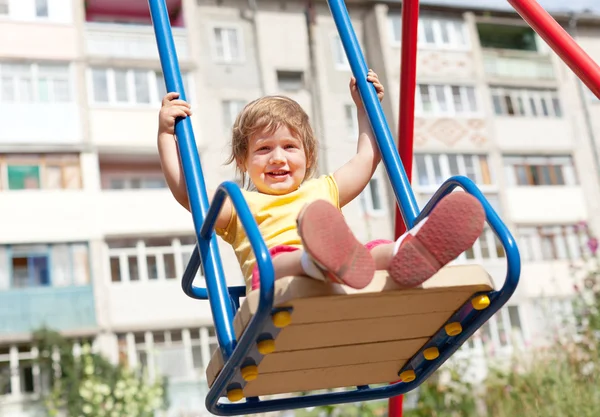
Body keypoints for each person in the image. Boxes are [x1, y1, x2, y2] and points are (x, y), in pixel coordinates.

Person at [157, 70, 485, 293]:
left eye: (289, 147)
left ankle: (408, 251)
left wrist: (365, 108)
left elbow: (366, 158)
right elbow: (188, 194)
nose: (277, 158)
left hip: (343, 270)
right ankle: (315, 261)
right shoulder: (237, 204)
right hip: (276, 285)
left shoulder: (323, 190)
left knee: (373, 252)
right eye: (263, 149)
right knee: (276, 263)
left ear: (308, 157)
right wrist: (166, 135)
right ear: (243, 161)